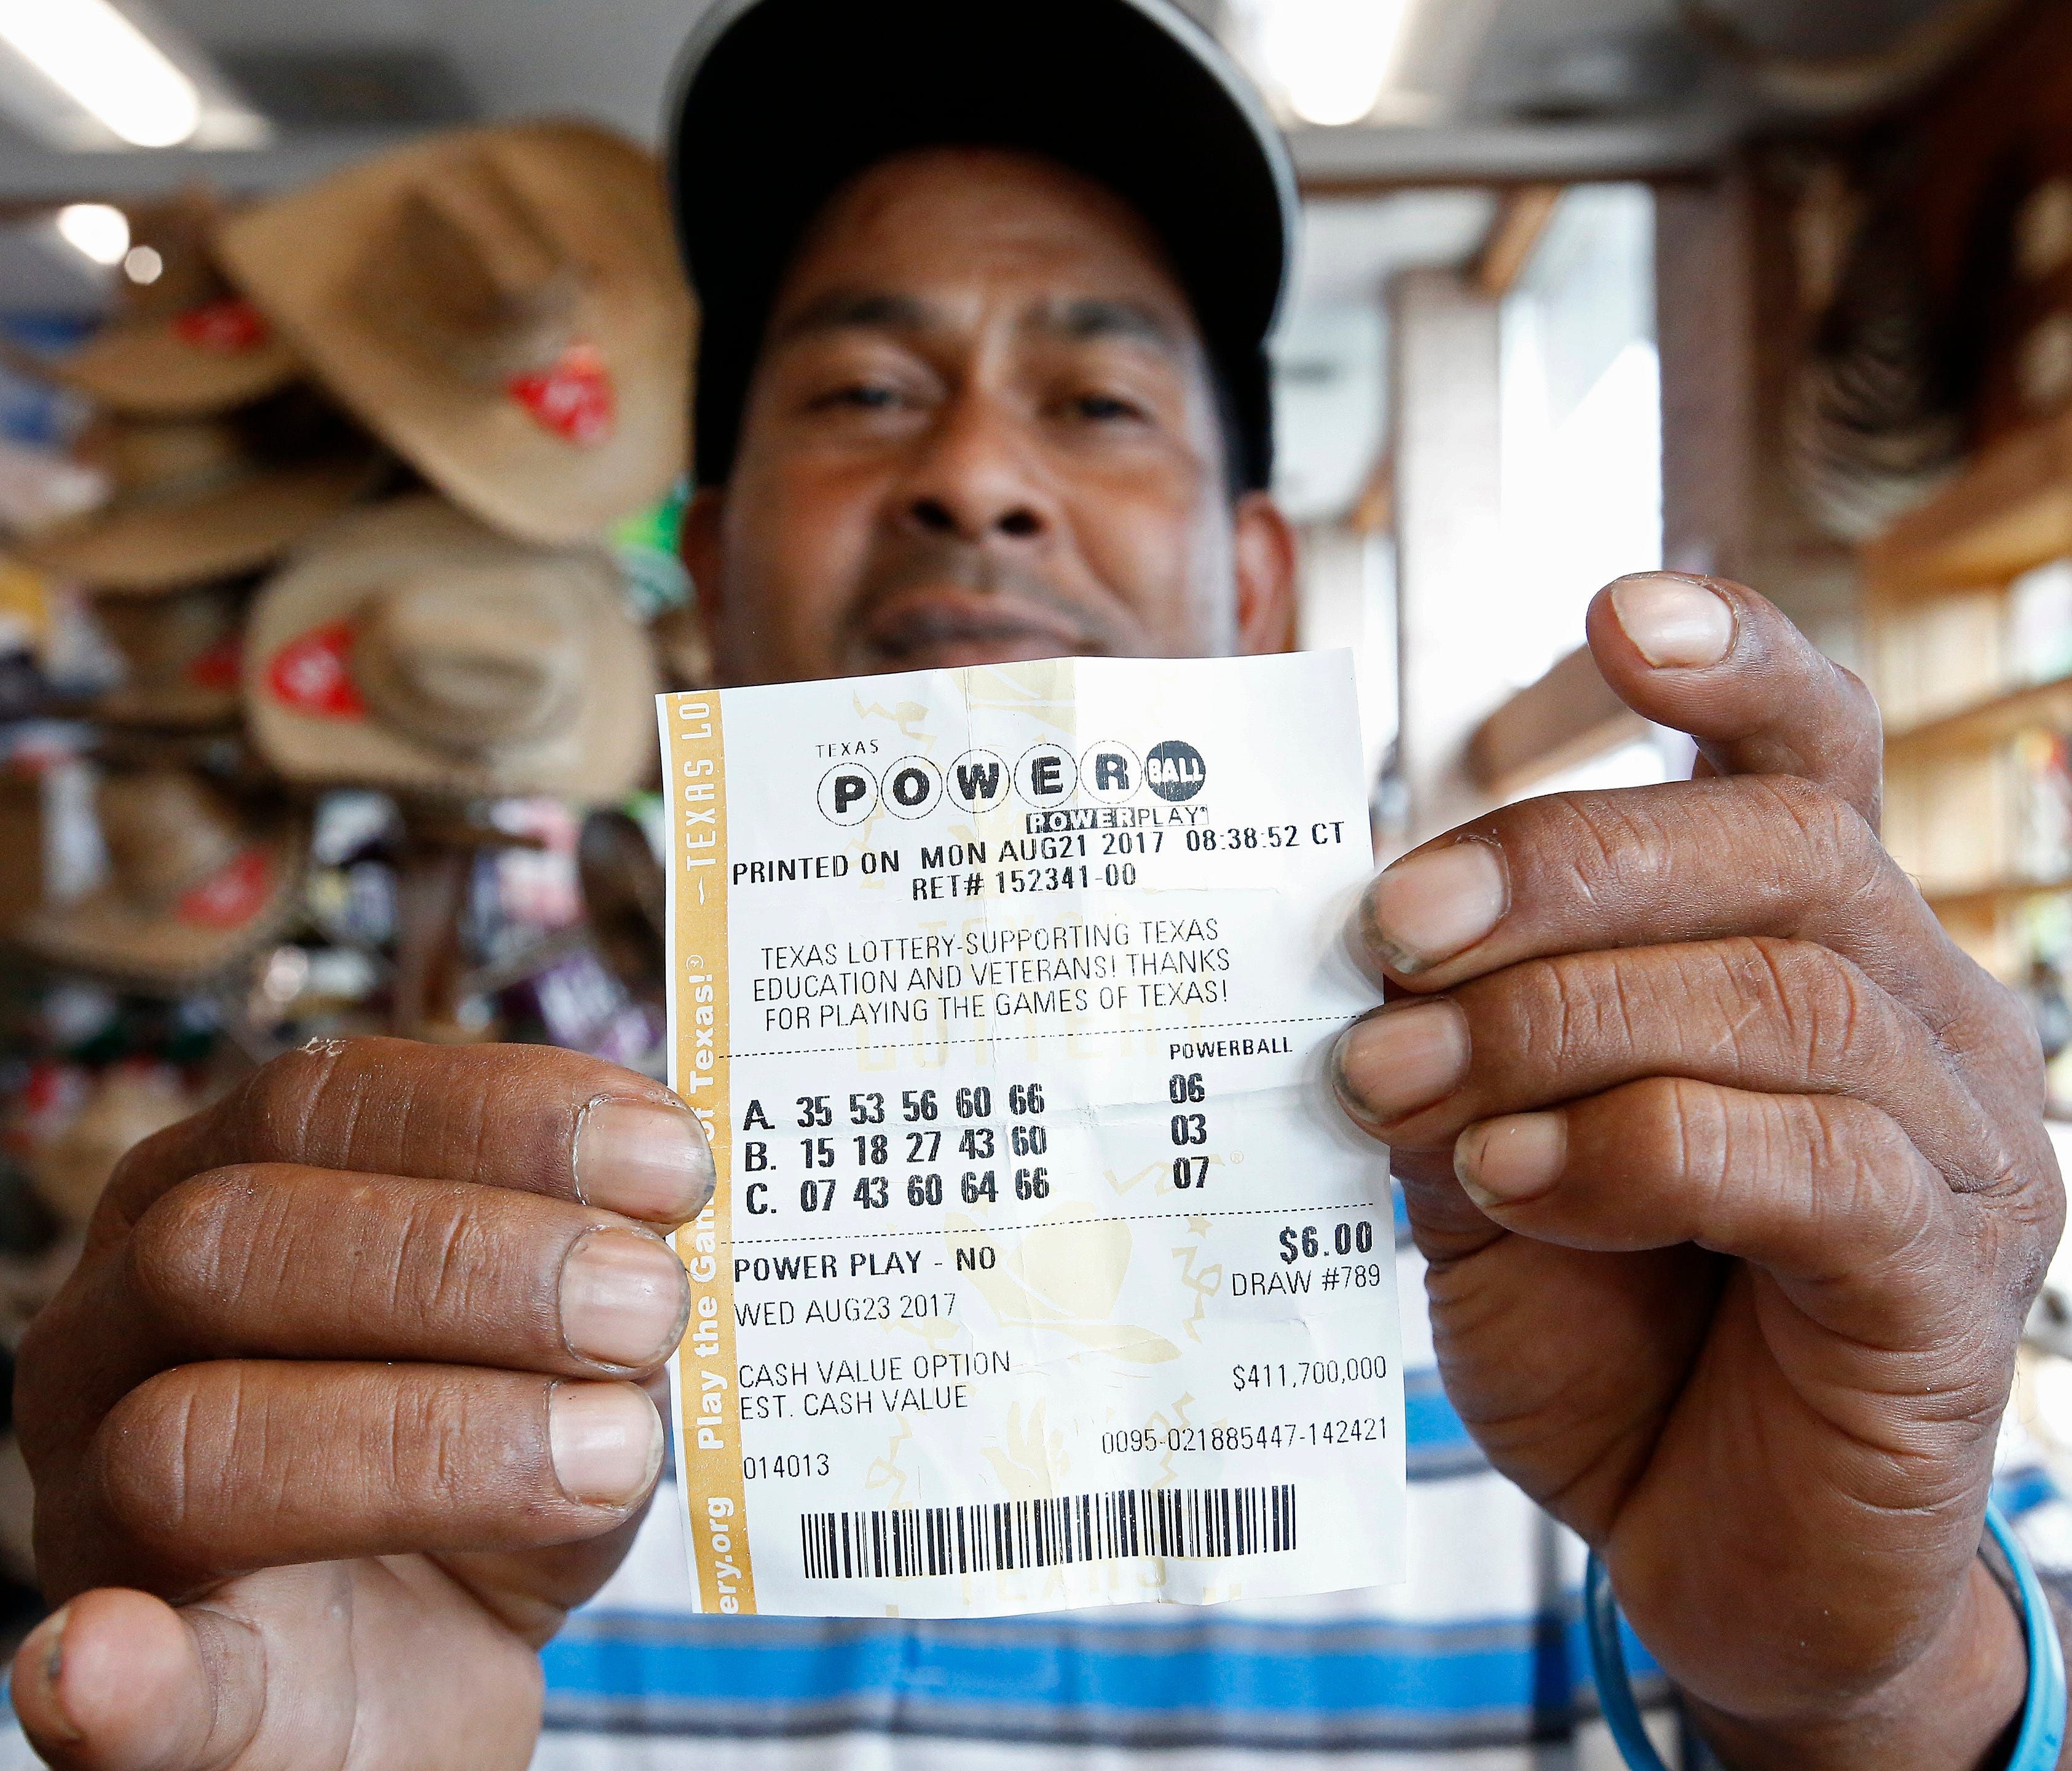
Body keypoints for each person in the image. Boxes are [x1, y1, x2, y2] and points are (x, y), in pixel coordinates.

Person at [7, 1, 2066, 1765]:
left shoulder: (1624, 1285)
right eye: (862, 392)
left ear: (1254, 584)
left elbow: (1904, 1652)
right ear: (707, 573)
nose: (973, 471)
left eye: (1092, 399)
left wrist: (1872, 1693)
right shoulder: (418, 1374)